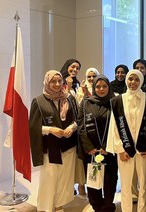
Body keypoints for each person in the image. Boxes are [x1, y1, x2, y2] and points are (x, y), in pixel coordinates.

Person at [29, 70, 78, 212]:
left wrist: (72, 127)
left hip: (68, 147)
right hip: (50, 149)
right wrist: (50, 130)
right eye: (53, 81)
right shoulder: (38, 101)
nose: (57, 84)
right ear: (47, 82)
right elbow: (33, 127)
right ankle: (46, 208)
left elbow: (77, 119)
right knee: (49, 180)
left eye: (59, 81)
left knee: (64, 180)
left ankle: (59, 206)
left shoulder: (69, 98)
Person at [106, 69, 146, 212]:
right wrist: (120, 149)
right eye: (130, 79)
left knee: (144, 185)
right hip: (125, 149)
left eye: (136, 79)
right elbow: (114, 127)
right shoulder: (117, 100)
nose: (132, 82)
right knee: (126, 186)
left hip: (144, 149)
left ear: (141, 81)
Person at [78, 75, 117, 212]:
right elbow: (81, 126)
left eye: (104, 86)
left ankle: (108, 205)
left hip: (110, 149)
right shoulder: (86, 102)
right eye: (98, 86)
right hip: (91, 151)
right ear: (93, 87)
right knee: (93, 179)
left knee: (110, 179)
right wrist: (89, 147)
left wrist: (108, 146)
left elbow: (118, 126)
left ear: (109, 87)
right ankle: (96, 205)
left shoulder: (114, 102)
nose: (101, 89)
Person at [60, 58, 86, 196]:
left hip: (77, 124)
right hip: (64, 126)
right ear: (66, 67)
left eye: (77, 68)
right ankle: (68, 186)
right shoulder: (58, 82)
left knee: (78, 157)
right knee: (67, 158)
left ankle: (81, 185)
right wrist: (68, 88)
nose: (75, 70)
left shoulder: (77, 84)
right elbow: (60, 102)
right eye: (73, 67)